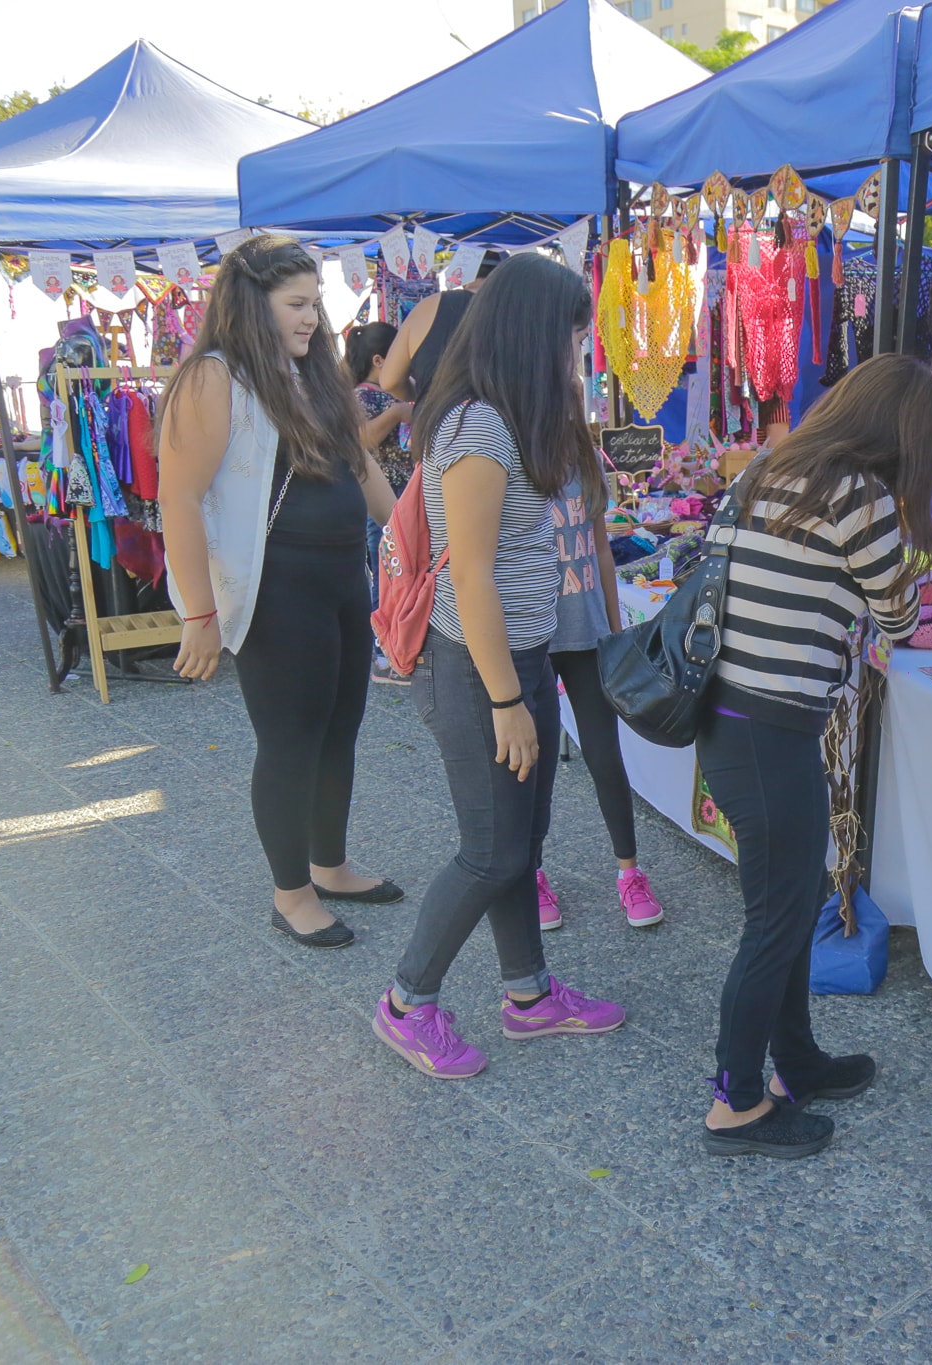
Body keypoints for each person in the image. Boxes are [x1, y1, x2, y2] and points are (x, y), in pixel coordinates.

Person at [371, 251, 623, 1081]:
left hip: (519, 656)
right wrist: (509, 699)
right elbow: (470, 573)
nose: (576, 353)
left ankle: (529, 994)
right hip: (480, 670)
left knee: (522, 839)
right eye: (571, 337)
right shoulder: (478, 428)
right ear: (532, 335)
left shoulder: (515, 417)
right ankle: (407, 1003)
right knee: (489, 849)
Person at [698, 353, 932, 1159]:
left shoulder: (773, 469)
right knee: (775, 920)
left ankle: (796, 1058)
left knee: (793, 895)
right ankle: (736, 1101)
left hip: (732, 719)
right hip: (770, 730)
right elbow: (901, 616)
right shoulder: (865, 497)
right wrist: (917, 534)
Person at [160, 235, 404, 949]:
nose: (310, 317)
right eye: (295, 303)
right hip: (275, 588)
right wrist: (199, 613)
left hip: (338, 577)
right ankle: (290, 892)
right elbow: (179, 498)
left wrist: (409, 545)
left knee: (340, 727)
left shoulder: (314, 371)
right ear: (250, 302)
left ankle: (329, 863)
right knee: (291, 738)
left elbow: (359, 464)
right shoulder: (214, 377)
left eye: (314, 303)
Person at [537, 456, 667, 931]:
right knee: (536, 761)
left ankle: (629, 873)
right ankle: (531, 872)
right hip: (533, 638)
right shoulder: (513, 453)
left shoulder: (584, 460)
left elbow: (602, 550)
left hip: (587, 636)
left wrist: (617, 633)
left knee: (605, 757)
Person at [346, 320, 413, 684]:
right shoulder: (361, 397)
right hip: (381, 502)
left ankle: (396, 650)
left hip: (402, 498)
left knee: (399, 574)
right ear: (378, 359)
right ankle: (382, 657)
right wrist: (396, 414)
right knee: (385, 577)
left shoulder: (389, 392)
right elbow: (361, 441)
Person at [375, 250, 498, 402]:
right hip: (500, 422)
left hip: (433, 419)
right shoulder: (516, 312)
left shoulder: (428, 306)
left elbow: (389, 381)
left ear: (463, 275)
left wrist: (424, 394)